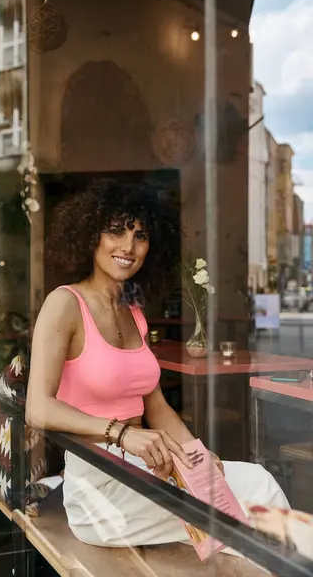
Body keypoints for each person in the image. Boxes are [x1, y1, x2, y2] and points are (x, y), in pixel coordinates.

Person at [26, 179, 289, 548]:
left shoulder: (134, 313)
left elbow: (157, 406)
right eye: (115, 231)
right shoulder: (65, 304)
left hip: (151, 468)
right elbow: (37, 409)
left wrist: (196, 455)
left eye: (140, 235)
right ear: (90, 236)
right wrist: (121, 433)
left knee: (256, 485)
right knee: (242, 517)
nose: (128, 246)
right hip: (100, 487)